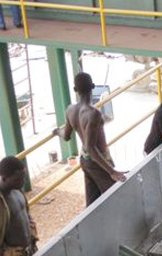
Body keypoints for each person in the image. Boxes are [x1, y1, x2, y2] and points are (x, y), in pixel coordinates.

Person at [54, 72, 126, 206]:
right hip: (98, 161)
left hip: (85, 161)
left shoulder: (70, 110)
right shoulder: (93, 113)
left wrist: (57, 131)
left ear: (75, 90)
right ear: (93, 86)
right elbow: (91, 148)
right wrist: (112, 171)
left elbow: (66, 135)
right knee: (117, 199)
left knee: (93, 204)